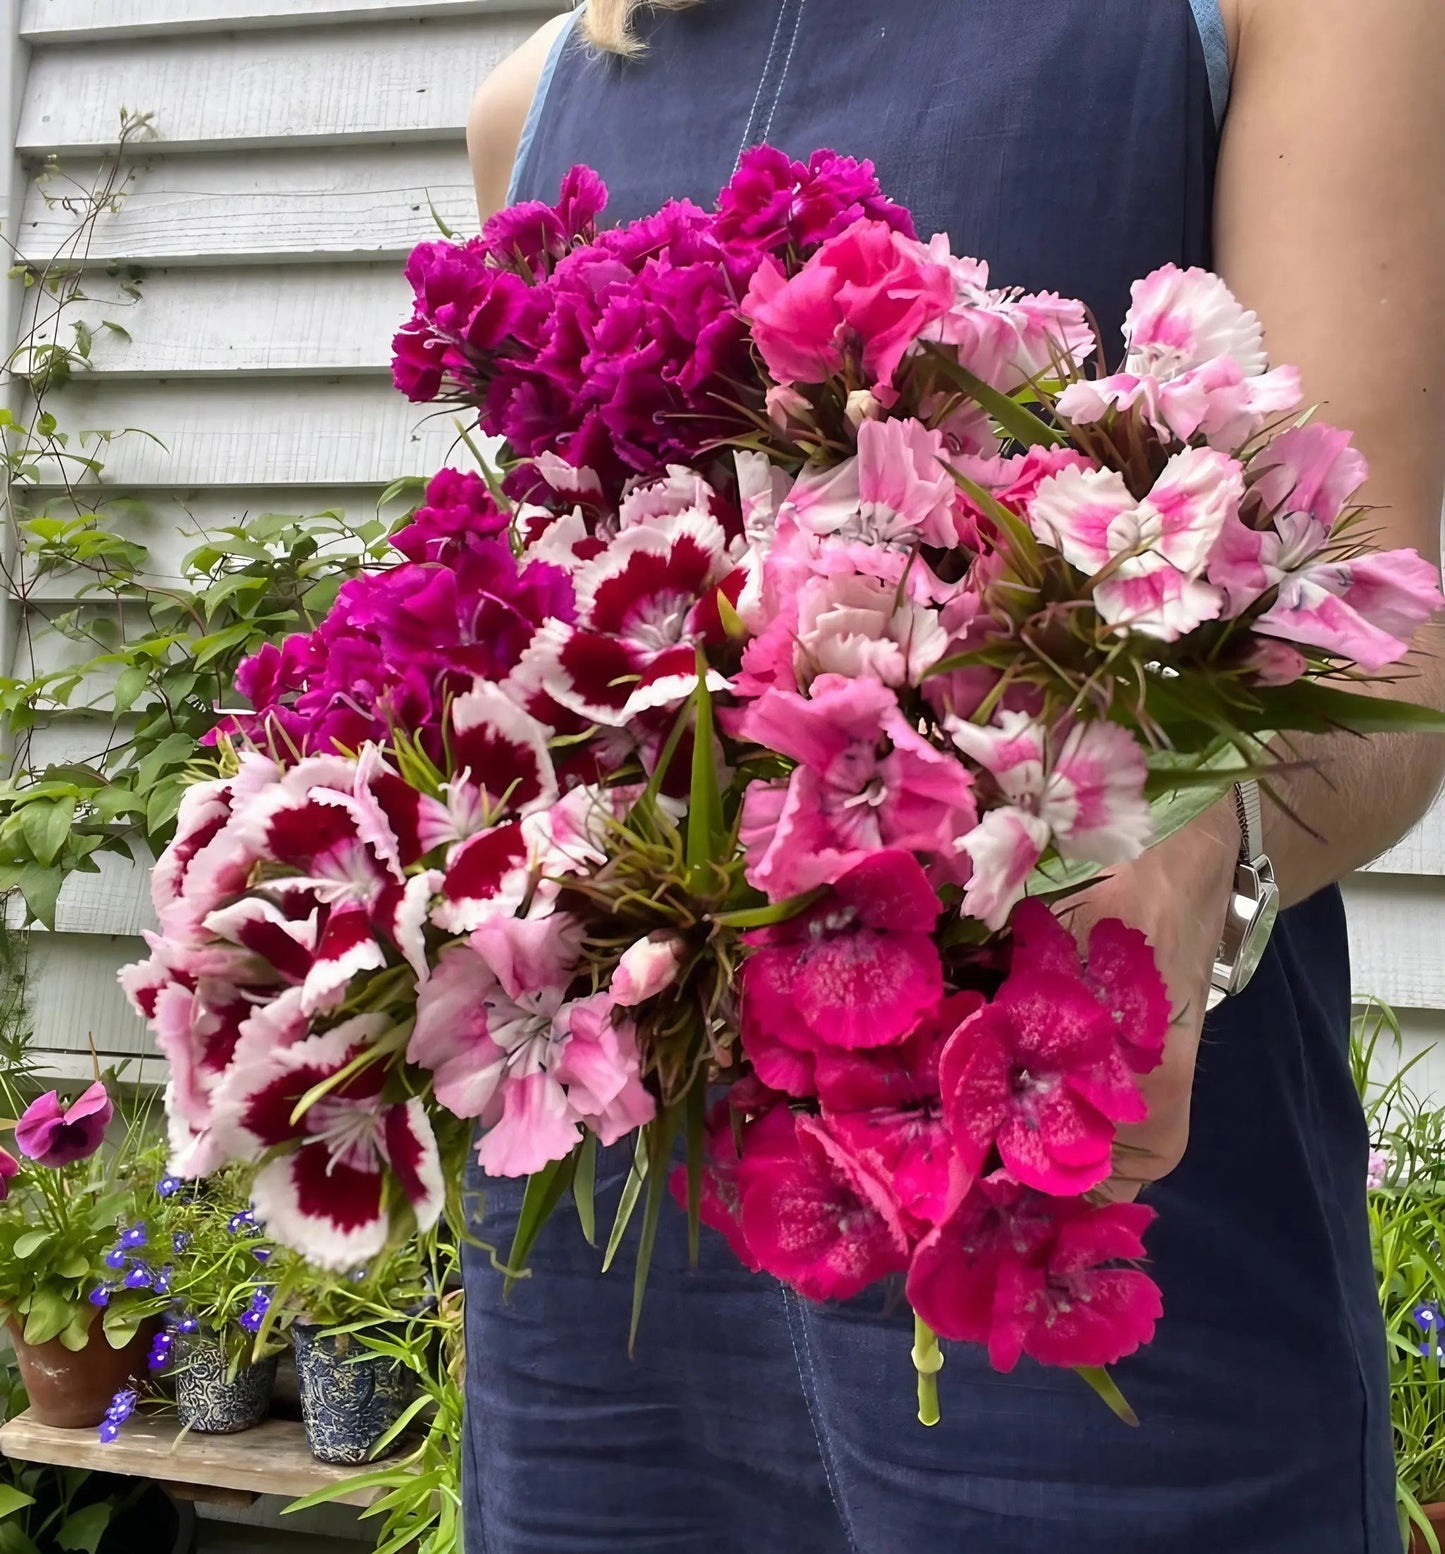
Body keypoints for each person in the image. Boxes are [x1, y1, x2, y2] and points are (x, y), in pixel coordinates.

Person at [459, 3, 1445, 1550]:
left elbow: (1378, 650)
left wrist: (1200, 846)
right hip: (614, 1292)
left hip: (1082, 1211)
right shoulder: (535, 107)